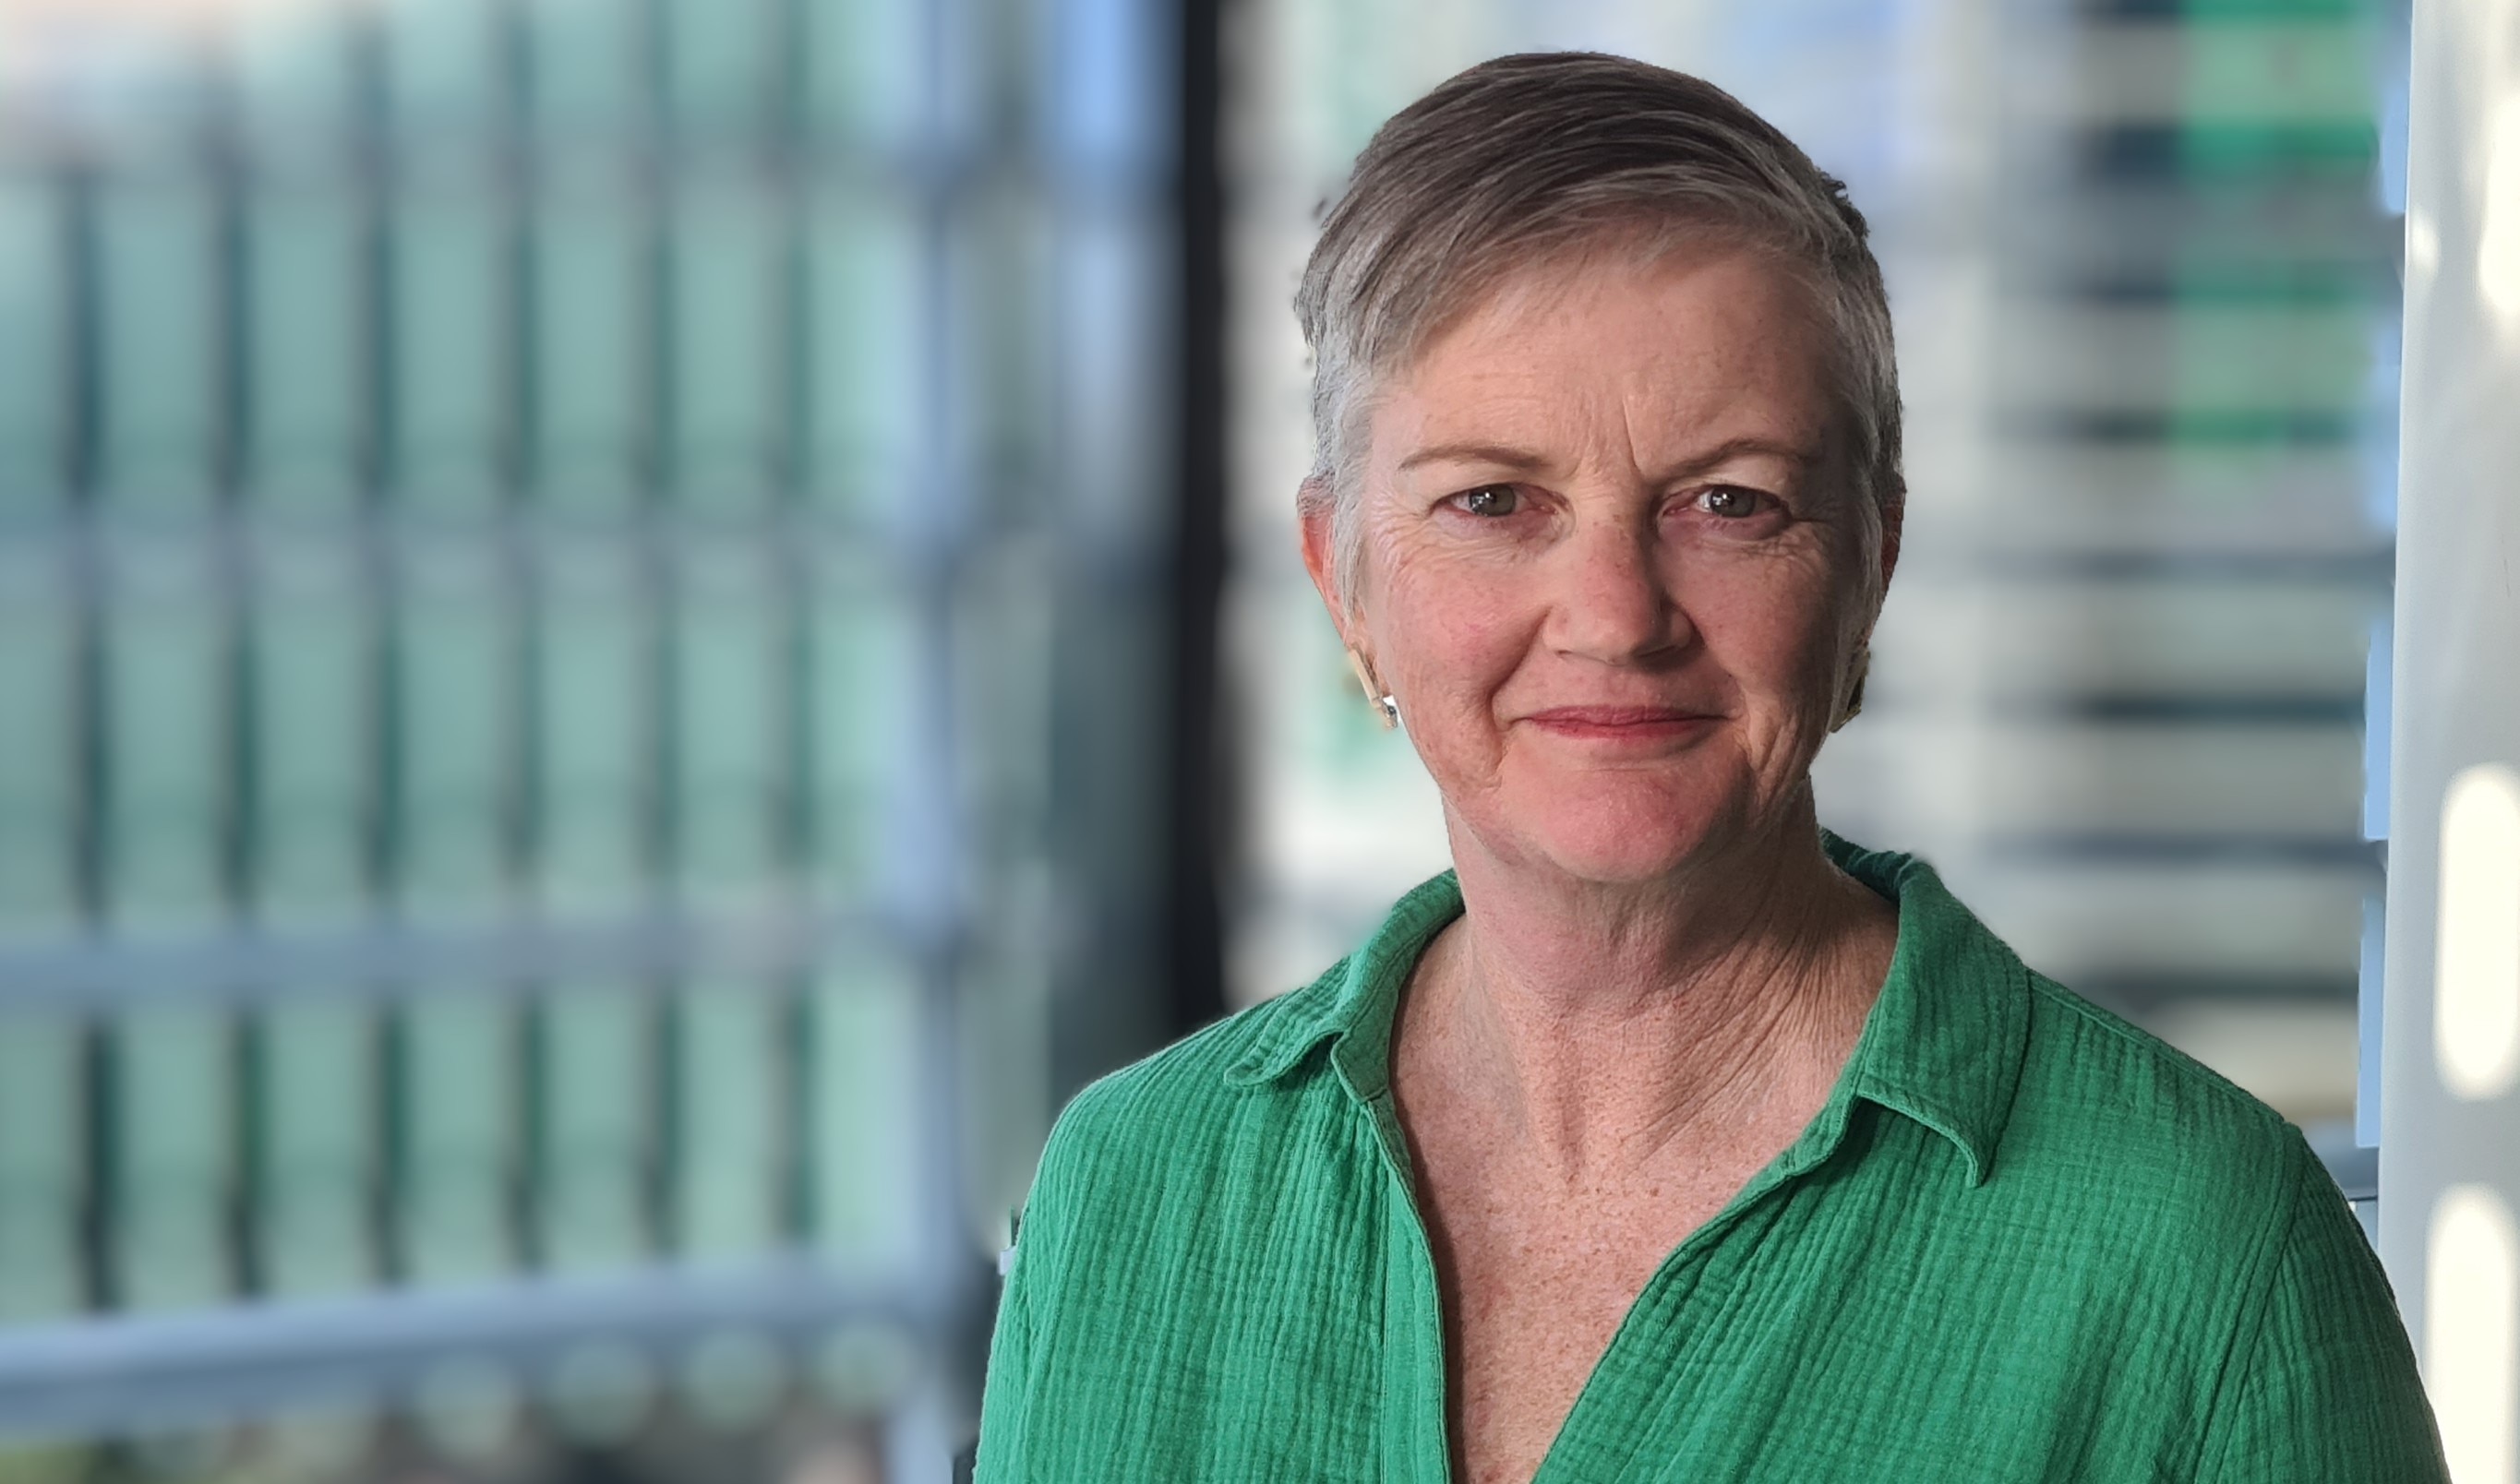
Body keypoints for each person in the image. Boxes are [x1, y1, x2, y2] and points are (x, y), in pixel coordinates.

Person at [973, 52, 2446, 1483]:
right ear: (1341, 577)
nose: (1615, 616)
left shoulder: (2198, 1252)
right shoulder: (1133, 1191)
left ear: (1869, 561)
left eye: (1728, 502)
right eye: (1493, 500)